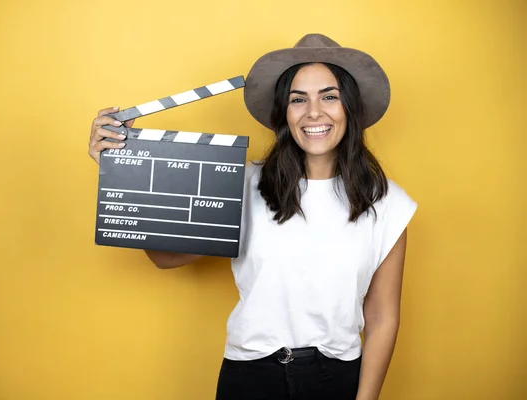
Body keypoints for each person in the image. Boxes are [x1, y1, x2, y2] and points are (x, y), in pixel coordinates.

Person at [88, 33, 417, 400]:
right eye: (298, 99)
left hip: (336, 378)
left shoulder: (386, 202)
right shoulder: (242, 184)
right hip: (250, 375)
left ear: (350, 108)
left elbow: (383, 317)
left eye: (329, 96)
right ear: (284, 113)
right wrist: (122, 170)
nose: (313, 112)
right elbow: (167, 257)